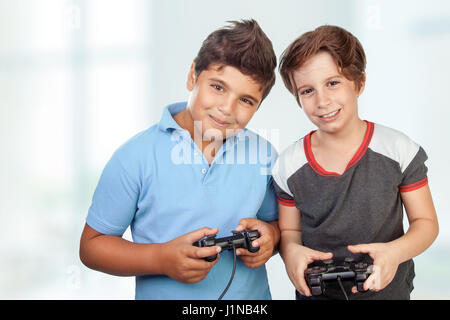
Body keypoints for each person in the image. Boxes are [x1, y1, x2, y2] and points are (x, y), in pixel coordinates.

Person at [79, 19, 280, 300]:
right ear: (192, 77)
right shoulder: (135, 157)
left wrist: (272, 236)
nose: (226, 108)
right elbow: (92, 247)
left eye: (245, 100)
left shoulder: (264, 154)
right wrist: (161, 259)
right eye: (218, 87)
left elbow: (278, 224)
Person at [273, 25, 439, 300]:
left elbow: (426, 222)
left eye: (333, 83)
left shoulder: (398, 150)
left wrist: (394, 253)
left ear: (359, 83)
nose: (322, 101)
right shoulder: (288, 165)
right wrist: (291, 252)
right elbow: (289, 229)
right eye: (307, 91)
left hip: (388, 294)